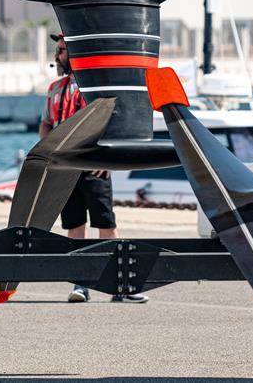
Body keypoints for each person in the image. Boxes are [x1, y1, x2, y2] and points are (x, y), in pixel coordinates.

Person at [40, 33, 148, 303]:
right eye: (57, 50)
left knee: (106, 225)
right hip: (66, 169)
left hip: (93, 168)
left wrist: (105, 158)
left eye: (62, 51)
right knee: (75, 227)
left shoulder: (94, 88)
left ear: (74, 54)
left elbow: (113, 124)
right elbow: (46, 123)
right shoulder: (55, 88)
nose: (57, 56)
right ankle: (81, 285)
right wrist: (49, 153)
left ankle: (120, 286)